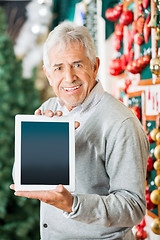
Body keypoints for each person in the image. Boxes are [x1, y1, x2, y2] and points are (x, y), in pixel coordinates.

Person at [11, 21, 149, 240]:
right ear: (48, 74)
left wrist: (74, 204)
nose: (69, 77)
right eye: (59, 68)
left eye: (77, 65)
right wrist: (36, 147)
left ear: (95, 66)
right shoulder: (49, 109)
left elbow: (133, 207)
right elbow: (22, 178)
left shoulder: (122, 123)